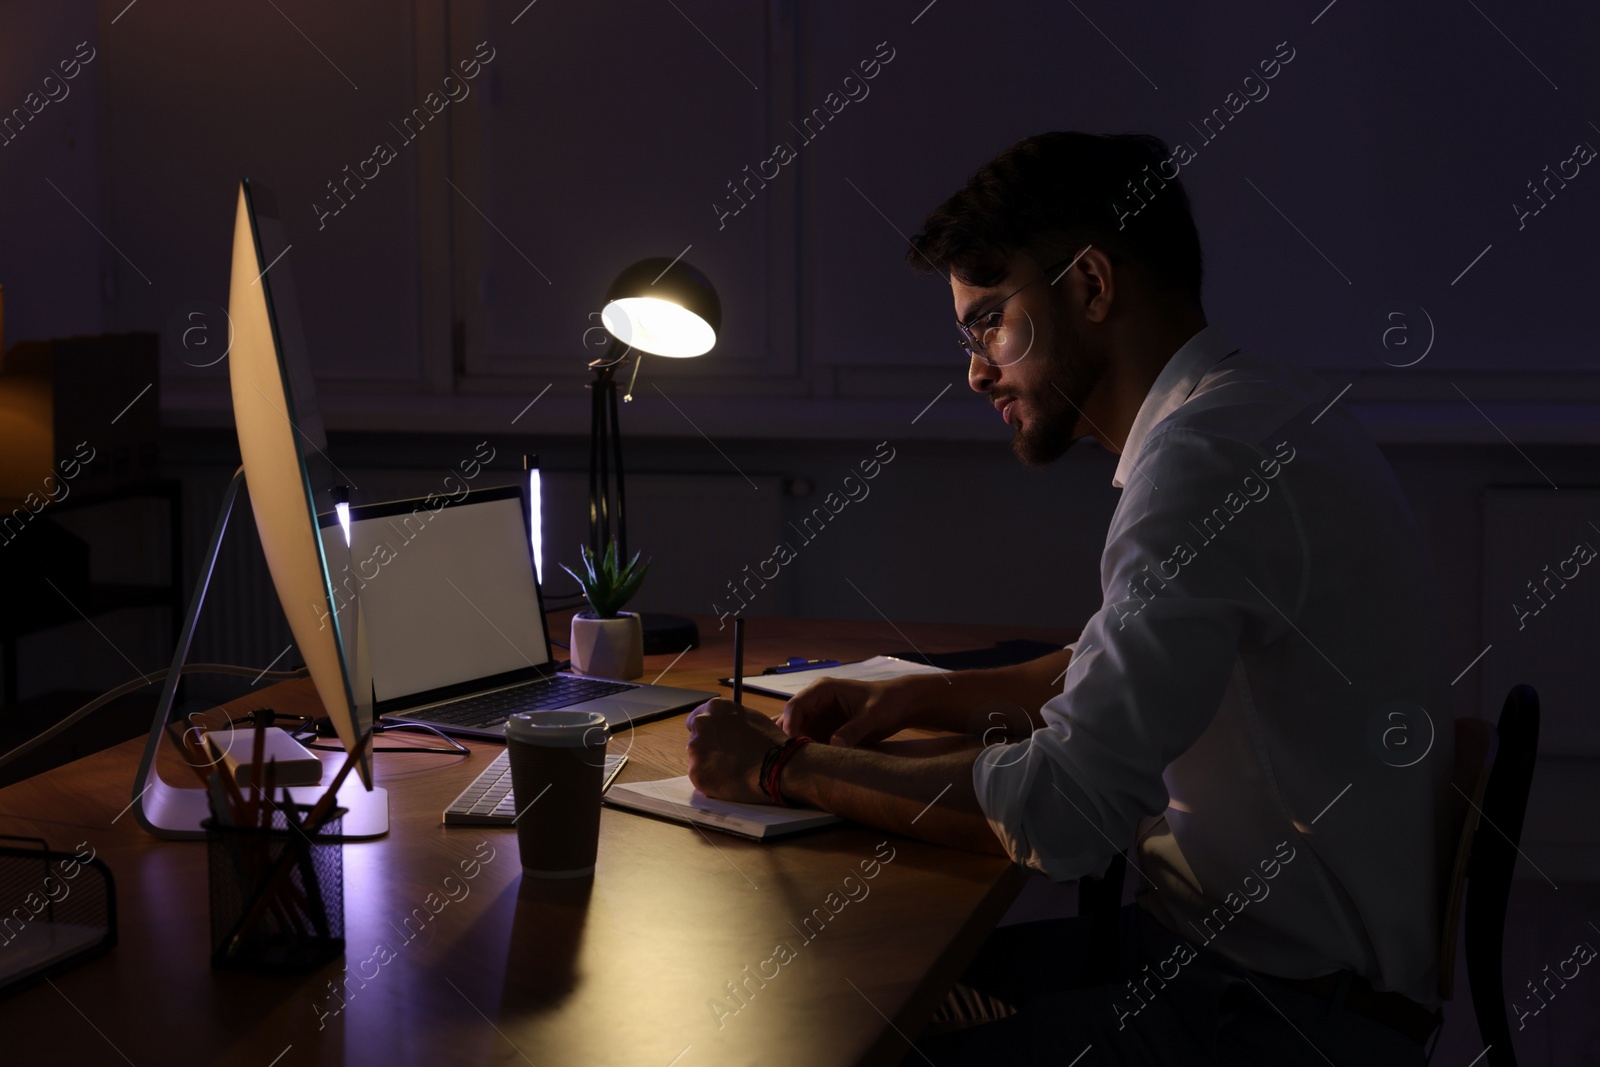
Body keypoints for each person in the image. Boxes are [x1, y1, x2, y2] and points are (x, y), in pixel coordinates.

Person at [685, 132, 1452, 1065]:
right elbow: (1107, 666)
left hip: (1273, 1013)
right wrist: (921, 696)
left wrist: (777, 770)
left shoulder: (1206, 462)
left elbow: (1064, 811)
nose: (975, 370)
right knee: (856, 991)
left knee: (832, 1031)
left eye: (989, 323)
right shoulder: (1251, 407)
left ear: (1090, 286)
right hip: (1237, 957)